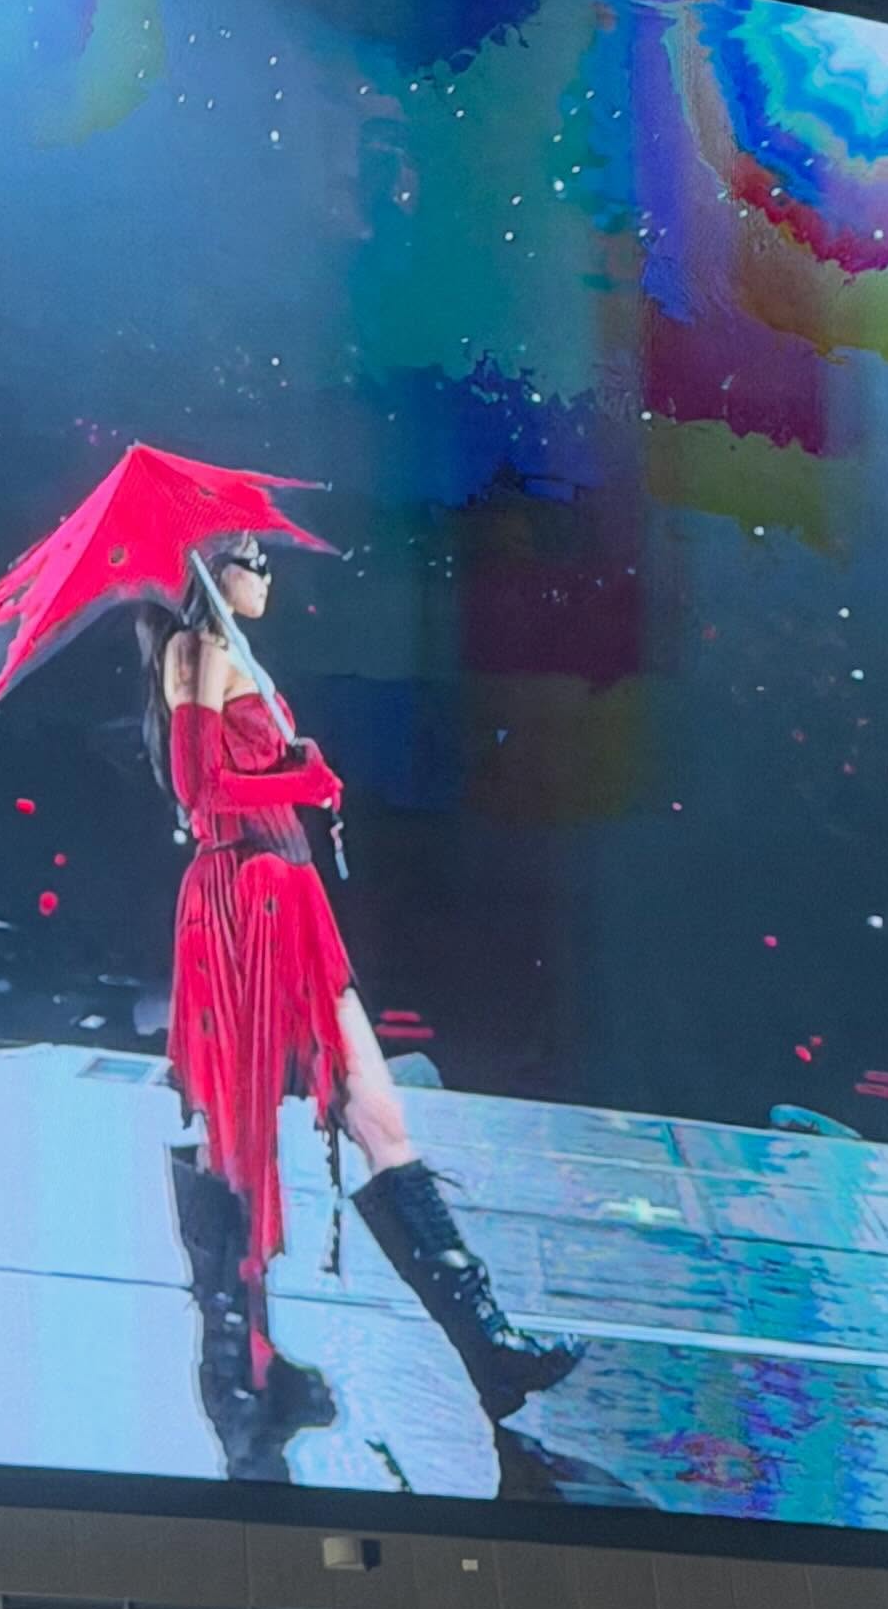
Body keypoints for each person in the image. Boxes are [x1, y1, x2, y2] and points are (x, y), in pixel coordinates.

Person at [138, 534, 582, 1478]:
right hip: (244, 899)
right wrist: (301, 780)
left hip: (289, 894)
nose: (267, 574)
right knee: (237, 1141)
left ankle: (488, 1349)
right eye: (251, 560)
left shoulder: (233, 653)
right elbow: (199, 789)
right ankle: (239, 1368)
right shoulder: (194, 649)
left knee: (376, 1110)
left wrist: (298, 771)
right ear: (212, 568)